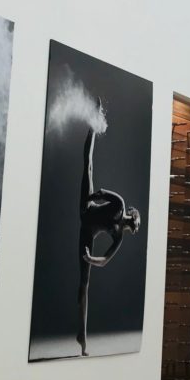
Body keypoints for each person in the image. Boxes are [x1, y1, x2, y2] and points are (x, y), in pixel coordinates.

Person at [77, 104, 140, 356]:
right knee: (88, 164)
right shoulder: (121, 205)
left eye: (135, 229)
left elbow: (104, 260)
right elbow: (103, 193)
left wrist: (90, 258)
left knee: (85, 283)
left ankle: (82, 337)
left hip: (87, 233)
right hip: (89, 206)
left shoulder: (117, 236)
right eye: (135, 224)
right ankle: (94, 123)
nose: (133, 228)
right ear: (131, 217)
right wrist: (88, 200)